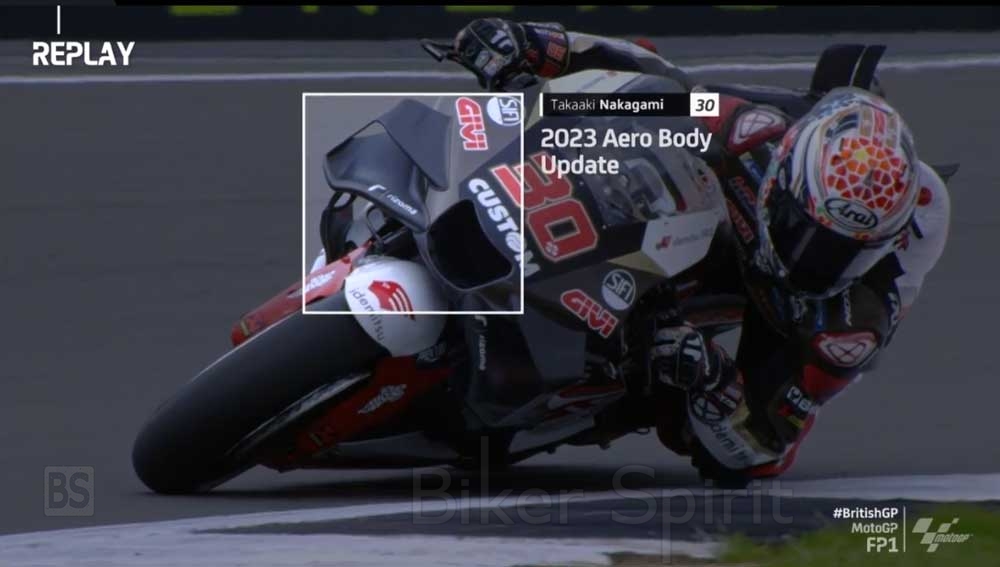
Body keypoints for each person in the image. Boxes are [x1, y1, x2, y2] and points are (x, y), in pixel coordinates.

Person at [452, 19, 951, 486]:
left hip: (787, 312)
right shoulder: (753, 131)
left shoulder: (848, 327)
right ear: (783, 183)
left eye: (838, 253)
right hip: (752, 191)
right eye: (803, 231)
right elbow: (659, 85)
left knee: (682, 400)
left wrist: (712, 381)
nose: (810, 259)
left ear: (880, 245)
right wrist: (539, 49)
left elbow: (764, 451)